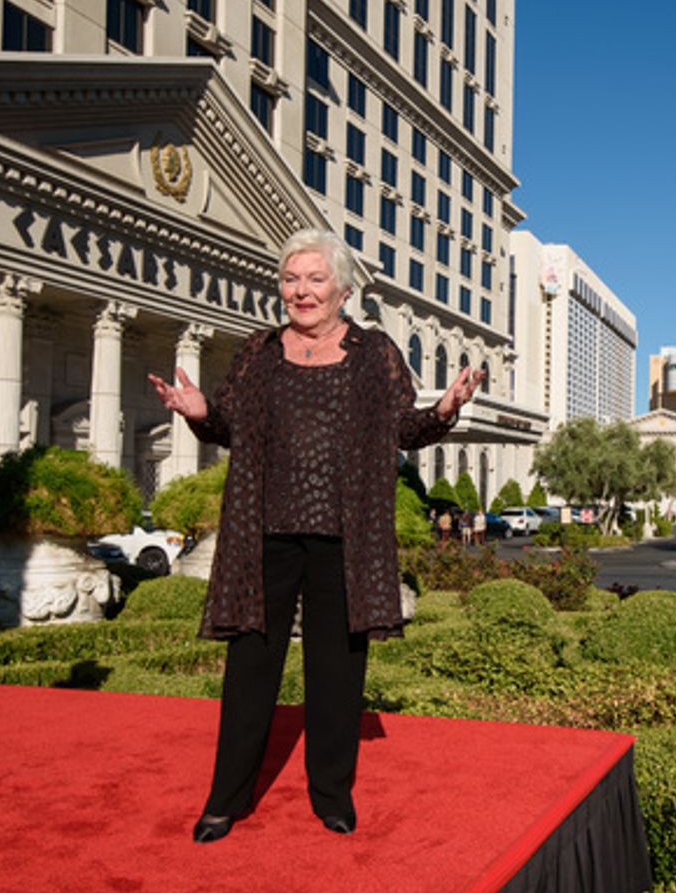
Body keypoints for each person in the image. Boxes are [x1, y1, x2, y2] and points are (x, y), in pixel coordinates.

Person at [149, 229, 482, 844]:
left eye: (314, 279)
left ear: (343, 289)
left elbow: (403, 430)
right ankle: (226, 799)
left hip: (344, 536)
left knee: (336, 670)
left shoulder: (373, 352)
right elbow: (228, 426)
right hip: (264, 533)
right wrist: (198, 413)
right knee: (250, 668)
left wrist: (443, 411)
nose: (301, 291)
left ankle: (332, 795)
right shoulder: (256, 352)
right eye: (290, 279)